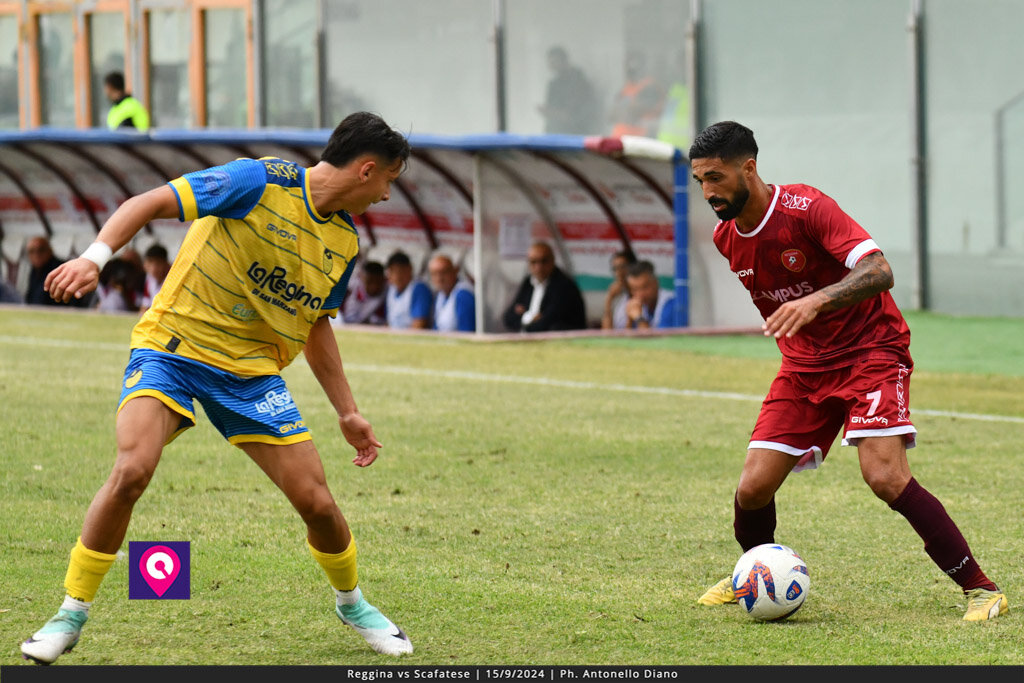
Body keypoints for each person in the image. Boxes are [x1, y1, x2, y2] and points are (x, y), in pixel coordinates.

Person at [20, 111, 415, 665]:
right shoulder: (258, 181)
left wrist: (347, 412)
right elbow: (151, 202)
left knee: (318, 504)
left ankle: (352, 604)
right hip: (173, 349)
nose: (387, 196)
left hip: (251, 374)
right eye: (389, 181)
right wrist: (94, 259)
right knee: (132, 470)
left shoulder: (343, 243)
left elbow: (317, 322)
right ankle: (69, 614)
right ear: (366, 169)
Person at [688, 121, 1007, 622]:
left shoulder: (808, 208)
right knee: (752, 488)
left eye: (716, 177)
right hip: (803, 368)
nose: (708, 191)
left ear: (748, 168)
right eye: (700, 181)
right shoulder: (726, 237)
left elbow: (880, 271)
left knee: (884, 476)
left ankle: (981, 588)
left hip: (871, 353)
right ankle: (753, 574)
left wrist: (817, 300)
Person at [501, 241, 586, 333]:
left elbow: (547, 322)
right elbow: (508, 318)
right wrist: (529, 317)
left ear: (552, 260)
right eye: (534, 262)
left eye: (543, 261)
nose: (538, 267)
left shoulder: (564, 286)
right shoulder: (528, 283)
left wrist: (524, 318)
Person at [537, 46, 600, 135]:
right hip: (554, 134)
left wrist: (552, 112)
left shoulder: (578, 82)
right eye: (550, 62)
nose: (551, 65)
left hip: (573, 136)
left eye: (554, 61)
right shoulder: (553, 84)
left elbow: (571, 115)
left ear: (564, 61)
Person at [608, 51, 664, 139]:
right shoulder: (627, 88)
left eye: (634, 65)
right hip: (620, 140)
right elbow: (611, 115)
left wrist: (624, 112)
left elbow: (634, 113)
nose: (630, 69)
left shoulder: (649, 86)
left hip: (638, 142)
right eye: (627, 65)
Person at [23, 236, 88, 308]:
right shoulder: (34, 271)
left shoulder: (61, 268)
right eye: (32, 251)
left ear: (50, 250)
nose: (36, 255)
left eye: (41, 250)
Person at [384, 250, 431, 330]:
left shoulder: (419, 288)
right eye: (390, 271)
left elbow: (419, 325)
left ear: (409, 269)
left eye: (395, 271)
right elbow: (389, 321)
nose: (391, 276)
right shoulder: (392, 289)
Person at [428, 254, 474, 333]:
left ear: (455, 271)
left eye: (444, 272)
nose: (439, 278)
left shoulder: (463, 295)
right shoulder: (440, 294)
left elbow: (467, 333)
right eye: (434, 274)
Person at [623, 260, 676, 329]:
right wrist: (629, 320)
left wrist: (639, 318)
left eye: (645, 287)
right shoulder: (638, 305)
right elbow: (627, 339)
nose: (640, 294)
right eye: (635, 289)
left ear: (656, 283)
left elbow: (658, 339)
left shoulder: (671, 302)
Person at [340, 259, 388, 326]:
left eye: (378, 282)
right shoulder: (350, 286)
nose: (374, 287)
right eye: (369, 282)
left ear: (384, 280)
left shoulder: (387, 290)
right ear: (362, 278)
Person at [600, 249, 636, 330]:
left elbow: (629, 336)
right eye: (615, 269)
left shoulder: (641, 296)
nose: (619, 273)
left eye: (623, 267)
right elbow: (606, 333)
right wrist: (609, 299)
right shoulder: (621, 299)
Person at [139, 244, 171, 311]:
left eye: (158, 263)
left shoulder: (172, 279)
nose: (154, 268)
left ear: (166, 264)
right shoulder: (149, 277)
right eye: (150, 262)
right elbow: (145, 304)